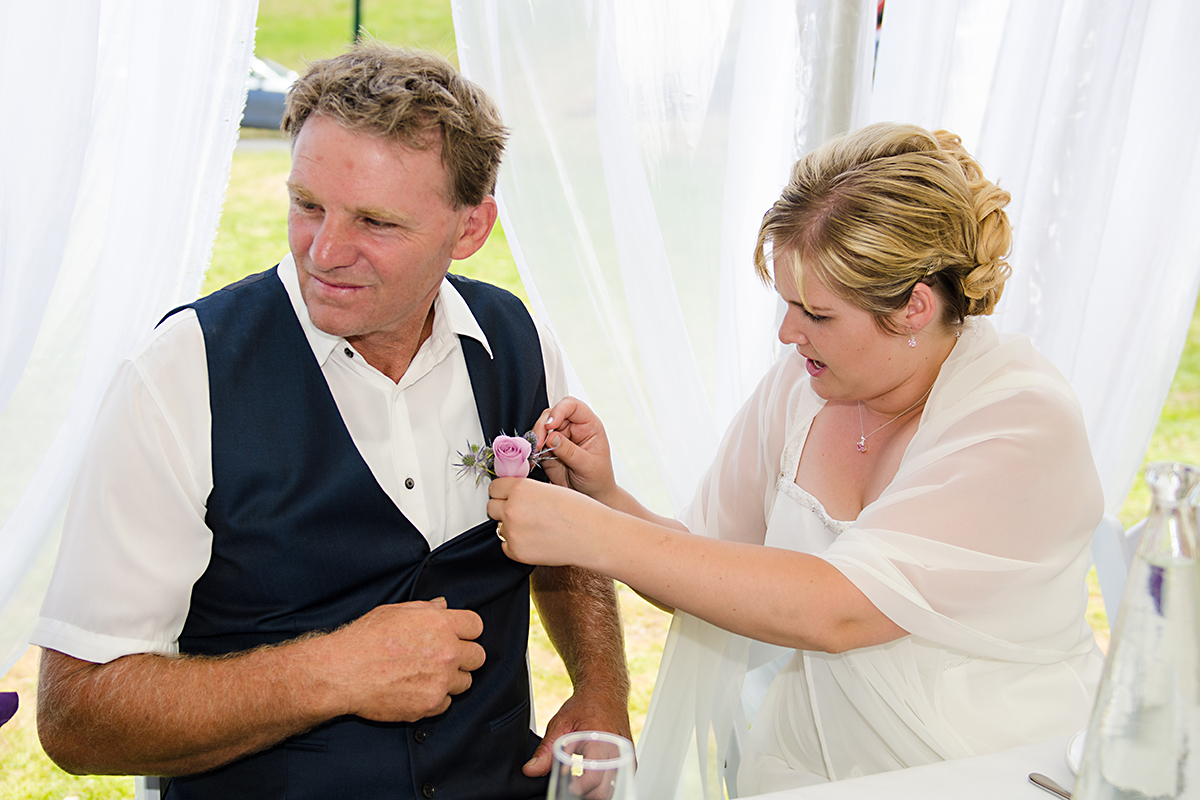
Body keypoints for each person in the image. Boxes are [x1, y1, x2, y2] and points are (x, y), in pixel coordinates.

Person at [32, 43, 630, 800]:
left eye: (376, 222)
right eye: (307, 204)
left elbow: (567, 545)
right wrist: (334, 672)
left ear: (471, 229)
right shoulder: (181, 375)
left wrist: (603, 688)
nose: (325, 250)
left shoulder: (517, 342)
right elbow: (76, 715)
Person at [487, 122, 1105, 796]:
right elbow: (705, 564)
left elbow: (838, 610)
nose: (787, 333)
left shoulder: (1019, 419)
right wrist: (604, 498)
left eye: (816, 312)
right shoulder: (804, 383)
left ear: (914, 308)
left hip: (996, 768)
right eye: (786, 304)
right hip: (814, 766)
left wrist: (592, 535)